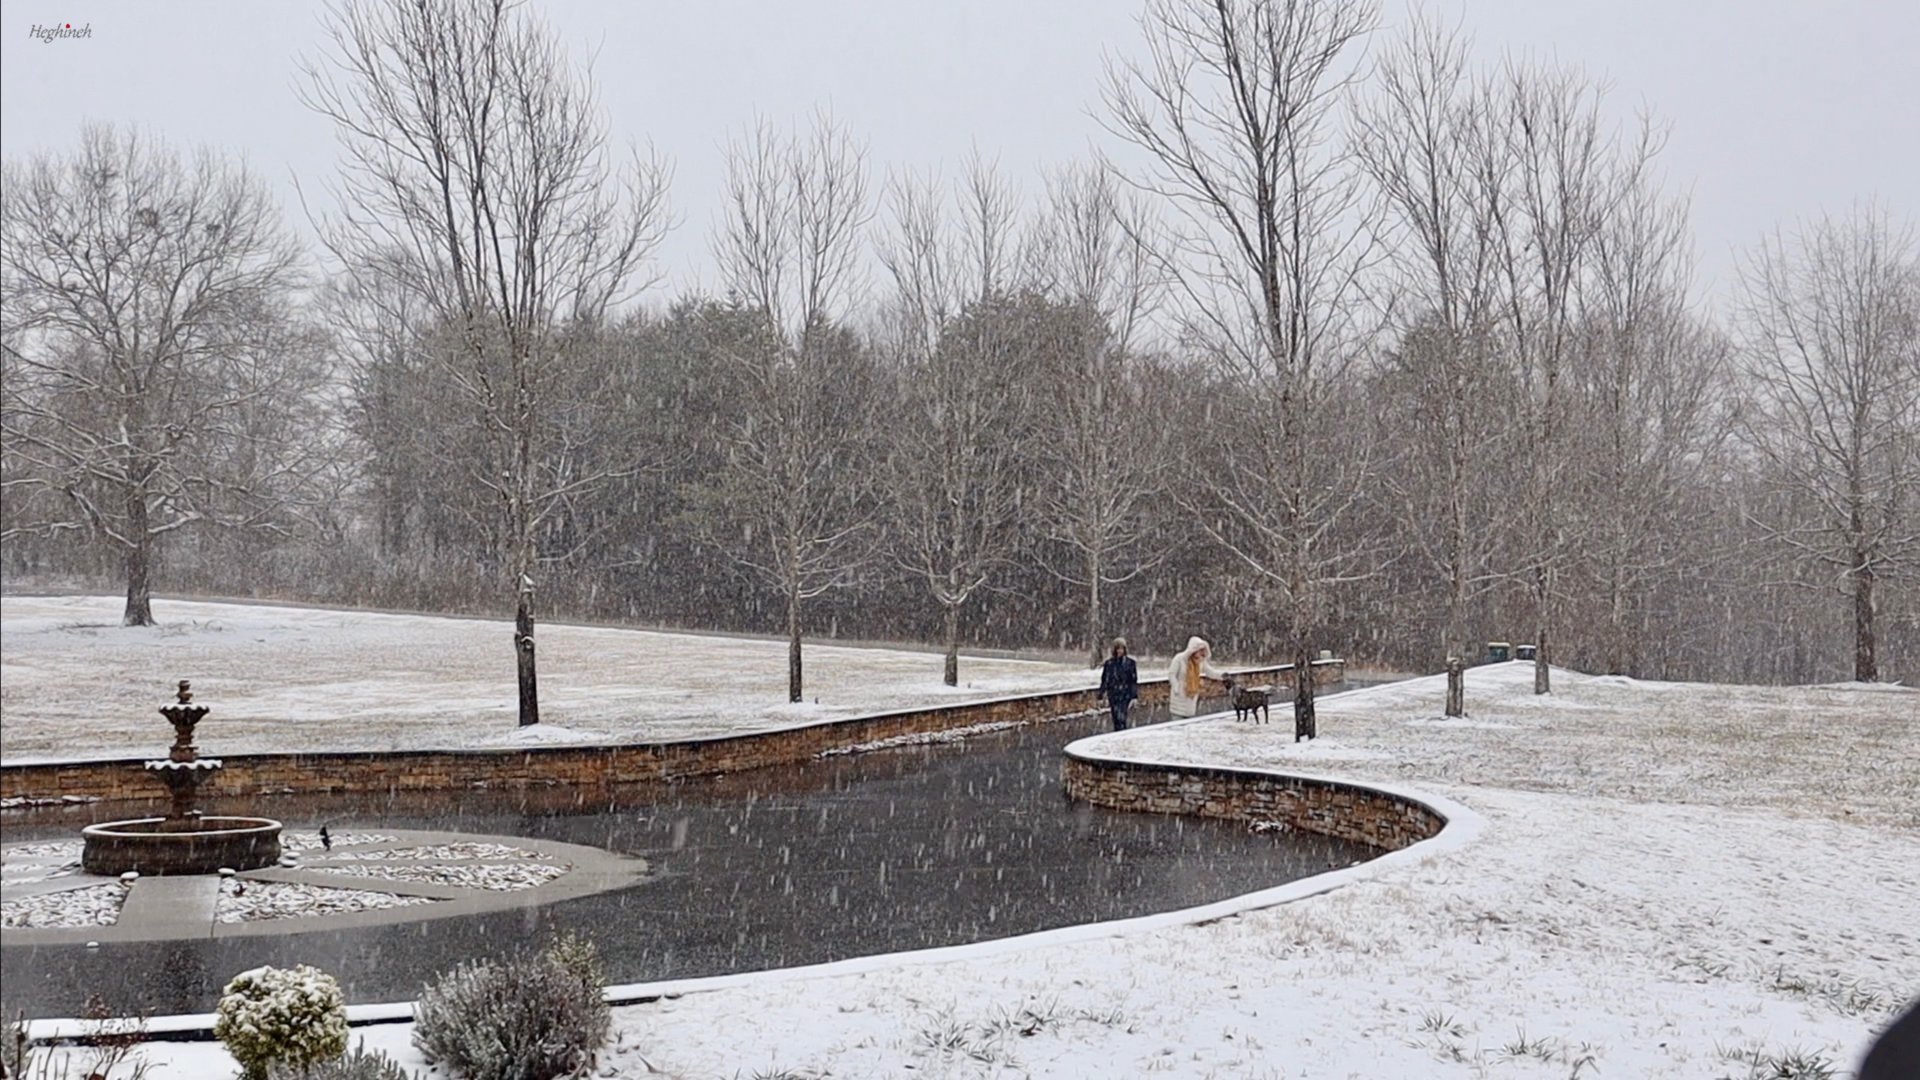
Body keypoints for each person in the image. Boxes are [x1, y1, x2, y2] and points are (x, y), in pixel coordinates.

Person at [1168, 635, 1221, 719]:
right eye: (1199, 650)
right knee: (1177, 724)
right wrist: (1176, 687)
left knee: (1189, 726)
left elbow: (1210, 672)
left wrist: (1222, 676)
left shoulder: (1200, 662)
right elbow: (1171, 674)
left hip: (1191, 699)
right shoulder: (1179, 659)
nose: (1201, 653)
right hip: (1179, 697)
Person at [1097, 638, 1139, 731]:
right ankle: (1118, 732)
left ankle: (1122, 733)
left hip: (1125, 694)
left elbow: (1133, 681)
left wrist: (1134, 696)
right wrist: (1100, 695)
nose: (1120, 651)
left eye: (1121, 649)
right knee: (1115, 717)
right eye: (1118, 649)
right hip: (1113, 694)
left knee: (1122, 716)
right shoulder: (1109, 664)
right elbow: (1105, 680)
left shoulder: (1130, 663)